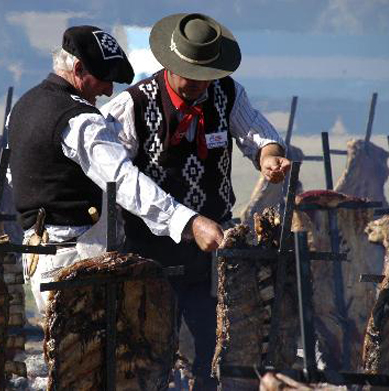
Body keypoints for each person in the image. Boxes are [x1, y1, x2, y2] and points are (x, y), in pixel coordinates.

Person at [100, 13, 290, 389]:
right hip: (149, 252)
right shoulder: (133, 105)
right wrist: (180, 222)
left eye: (207, 77)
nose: (199, 86)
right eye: (191, 76)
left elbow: (257, 131)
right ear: (170, 65)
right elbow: (116, 176)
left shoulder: (227, 92)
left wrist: (269, 156)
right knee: (148, 349)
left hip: (210, 253)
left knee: (213, 345)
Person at [7, 26, 225, 321]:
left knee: (68, 360)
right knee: (95, 360)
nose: (109, 90)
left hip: (39, 257)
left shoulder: (23, 107)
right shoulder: (81, 122)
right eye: (104, 78)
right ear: (79, 68)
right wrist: (187, 221)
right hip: (77, 260)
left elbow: (16, 178)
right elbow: (124, 181)